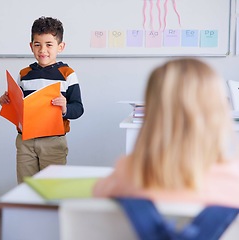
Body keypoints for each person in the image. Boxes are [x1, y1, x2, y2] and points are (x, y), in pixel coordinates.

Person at [93, 58, 239, 208]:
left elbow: (97, 195)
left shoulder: (128, 172)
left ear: (153, 111)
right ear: (219, 111)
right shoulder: (234, 179)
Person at [0, 16, 84, 183]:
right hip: (25, 141)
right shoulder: (24, 74)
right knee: (25, 185)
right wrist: (6, 101)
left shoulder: (67, 74)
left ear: (61, 47)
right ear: (31, 46)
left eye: (49, 45)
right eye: (37, 45)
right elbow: (19, 105)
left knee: (52, 187)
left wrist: (65, 107)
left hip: (53, 141)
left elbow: (78, 108)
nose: (43, 50)